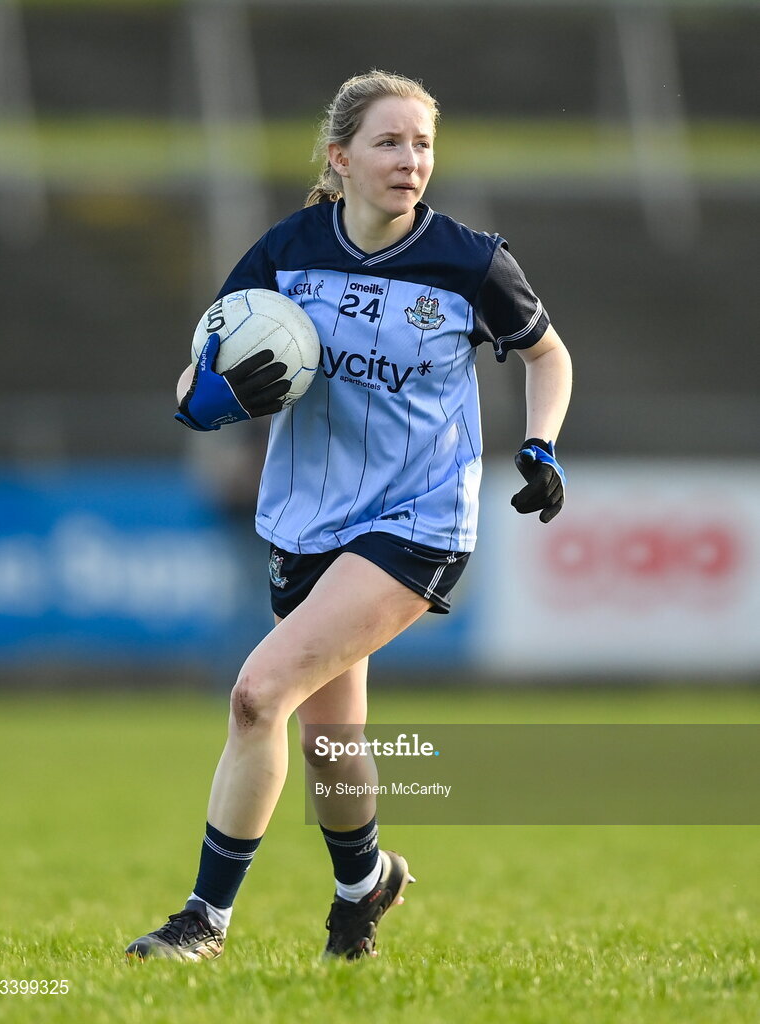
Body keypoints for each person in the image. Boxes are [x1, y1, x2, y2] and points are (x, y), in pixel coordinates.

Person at [126, 70, 572, 963]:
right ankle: (364, 887)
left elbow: (547, 354)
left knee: (258, 696)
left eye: (423, 145)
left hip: (419, 523)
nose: (411, 161)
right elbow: (200, 369)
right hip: (304, 524)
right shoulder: (285, 252)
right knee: (333, 745)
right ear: (339, 159)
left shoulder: (470, 261)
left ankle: (202, 922)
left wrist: (540, 444)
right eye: (389, 142)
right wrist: (202, 400)